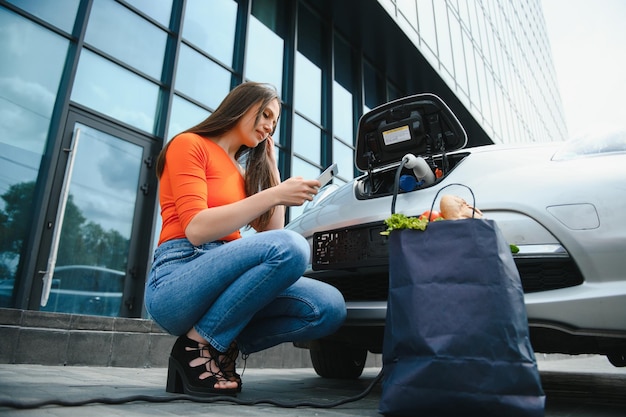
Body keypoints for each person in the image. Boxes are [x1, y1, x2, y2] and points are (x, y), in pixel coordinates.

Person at [144, 81, 346, 397]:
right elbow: (196, 229)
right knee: (292, 247)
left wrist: (273, 173)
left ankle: (221, 342)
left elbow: (272, 234)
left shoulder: (240, 174)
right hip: (179, 276)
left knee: (328, 306)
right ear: (241, 106)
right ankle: (195, 347)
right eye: (265, 115)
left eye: (274, 123)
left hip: (230, 276)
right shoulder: (189, 144)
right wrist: (275, 194)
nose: (269, 126)